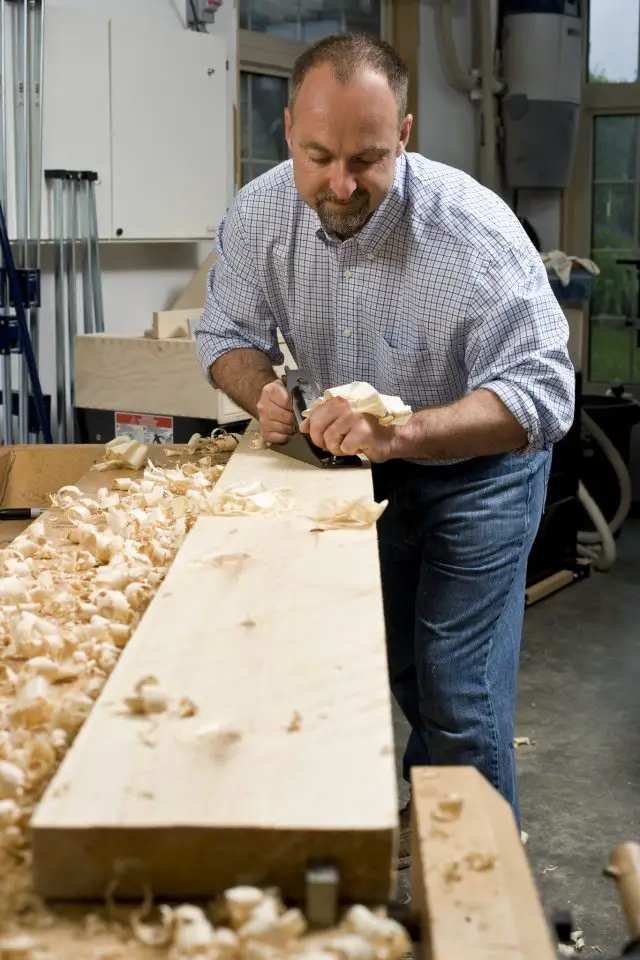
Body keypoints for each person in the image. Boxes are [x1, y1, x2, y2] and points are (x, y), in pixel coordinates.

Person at [195, 33, 575, 868]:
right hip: (364, 469)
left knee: (459, 687)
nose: (340, 185)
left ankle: (483, 881)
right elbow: (224, 334)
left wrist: (402, 431)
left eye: (367, 159)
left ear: (405, 133)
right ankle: (431, 816)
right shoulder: (263, 212)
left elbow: (545, 395)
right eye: (318, 155)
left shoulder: (474, 234)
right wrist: (257, 386)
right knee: (402, 662)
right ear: (287, 127)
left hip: (484, 470)